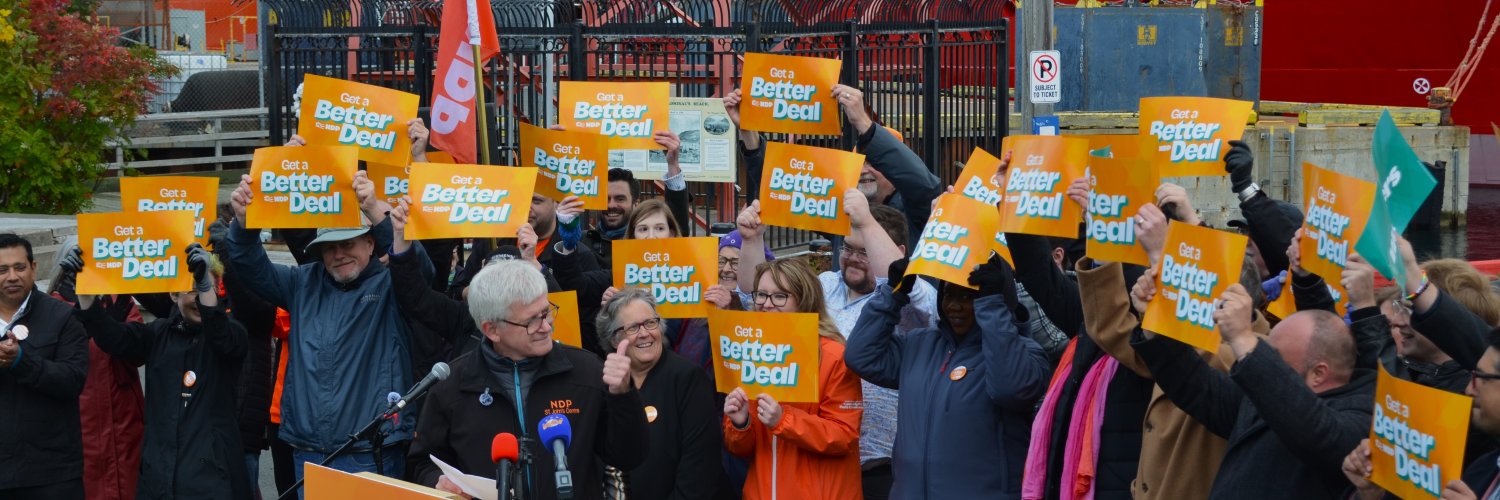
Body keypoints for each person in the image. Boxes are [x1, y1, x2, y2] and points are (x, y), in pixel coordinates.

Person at [226, 170, 432, 487]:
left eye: (347, 243)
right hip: (308, 452)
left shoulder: (394, 285)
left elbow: (418, 267)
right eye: (329, 247)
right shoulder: (303, 282)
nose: (338, 254)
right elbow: (248, 264)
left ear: (370, 242)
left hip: (372, 451)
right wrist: (243, 222)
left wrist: (375, 210)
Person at [407, 259, 649, 500]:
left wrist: (624, 396)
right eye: (531, 320)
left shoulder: (586, 371)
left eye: (546, 312)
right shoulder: (452, 386)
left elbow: (628, 456)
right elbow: (421, 463)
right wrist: (437, 481)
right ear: (492, 330)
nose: (546, 326)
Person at [1130, 272, 1375, 498]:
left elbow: (1312, 429)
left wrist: (1243, 339)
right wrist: (1155, 322)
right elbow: (1198, 387)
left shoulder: (1361, 417)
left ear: (1318, 373)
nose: (1263, 363)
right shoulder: (1264, 396)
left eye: (1274, 358)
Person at [845, 253, 1048, 498]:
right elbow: (861, 356)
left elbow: (1011, 389)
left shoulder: (1025, 352)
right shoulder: (919, 343)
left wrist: (992, 307)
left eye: (969, 296)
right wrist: (893, 293)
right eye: (949, 293)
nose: (954, 305)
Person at [68, 243, 252, 499]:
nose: (198, 298)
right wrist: (86, 293)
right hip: (159, 480)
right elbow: (112, 338)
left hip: (213, 482)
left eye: (205, 288)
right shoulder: (157, 333)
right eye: (190, 290)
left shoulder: (233, 335)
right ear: (173, 296)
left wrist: (203, 284)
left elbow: (219, 331)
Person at [723, 257, 864, 500]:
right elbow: (740, 449)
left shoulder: (834, 356)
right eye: (761, 295)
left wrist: (783, 419)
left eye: (779, 296)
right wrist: (740, 423)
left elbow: (844, 436)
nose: (766, 305)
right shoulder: (750, 352)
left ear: (804, 301)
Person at [1342, 327, 1500, 500]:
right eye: (1472, 376)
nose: (1469, 389)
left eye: (1482, 378)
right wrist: (1371, 494)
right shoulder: (1486, 467)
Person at [594, 288, 721, 499]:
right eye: (633, 327)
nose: (645, 333)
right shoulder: (603, 384)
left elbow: (700, 471)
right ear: (614, 339)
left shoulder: (687, 378)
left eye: (650, 323)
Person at [0, 233, 90, 499]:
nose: (12, 277)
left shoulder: (62, 316)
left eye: (19, 267)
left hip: (51, 473)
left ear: (33, 268)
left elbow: (73, 380)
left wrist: (21, 361)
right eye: (2, 270)